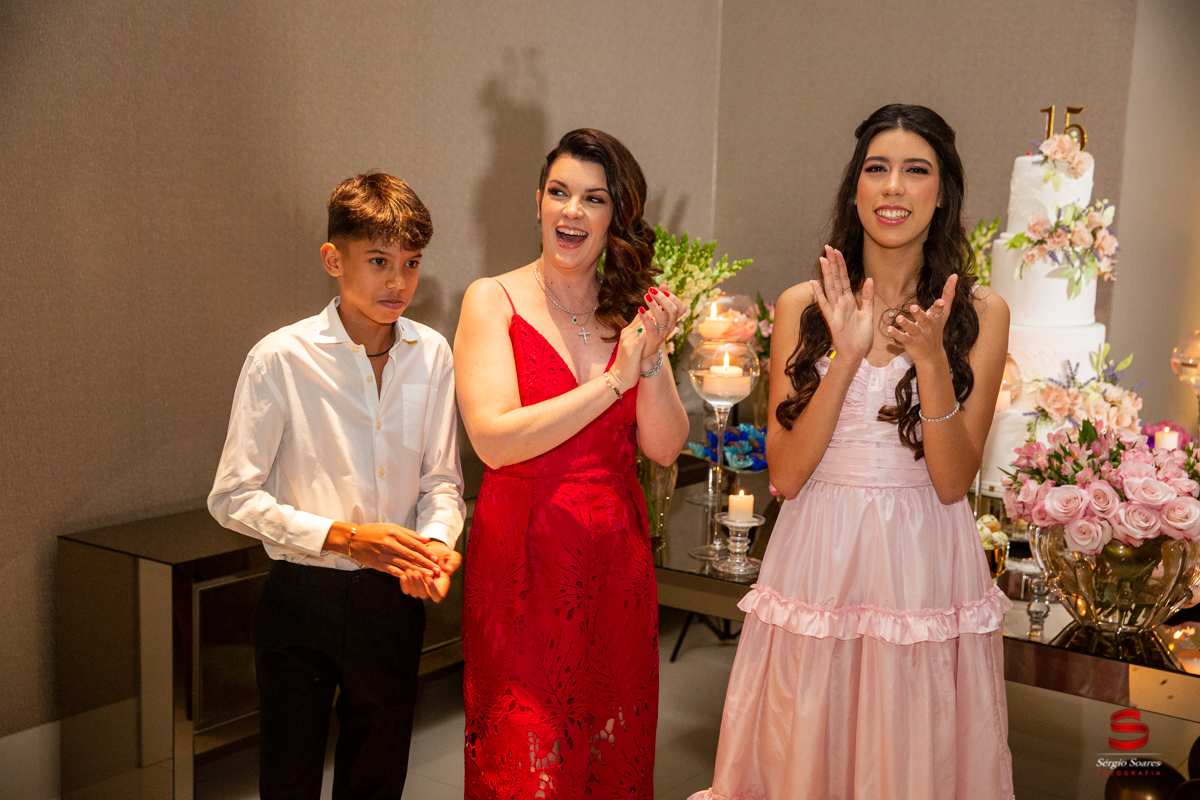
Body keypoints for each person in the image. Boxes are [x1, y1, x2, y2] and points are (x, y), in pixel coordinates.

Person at [692, 105, 1014, 800]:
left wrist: (931, 360)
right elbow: (785, 474)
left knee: (909, 751)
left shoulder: (981, 313)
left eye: (915, 170)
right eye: (877, 169)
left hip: (923, 557)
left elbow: (953, 481)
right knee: (808, 744)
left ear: (942, 193)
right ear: (855, 188)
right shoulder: (800, 306)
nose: (893, 187)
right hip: (820, 553)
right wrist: (844, 357)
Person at [208, 172, 465, 800]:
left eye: (410, 263)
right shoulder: (279, 359)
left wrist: (434, 545)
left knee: (377, 777)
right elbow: (232, 497)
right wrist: (346, 538)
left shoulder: (432, 354)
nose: (398, 282)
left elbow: (441, 482)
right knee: (288, 779)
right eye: (378, 261)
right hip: (301, 597)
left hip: (391, 601)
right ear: (333, 259)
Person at [454, 128, 690, 799]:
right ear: (537, 201)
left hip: (614, 564)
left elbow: (664, 446)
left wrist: (651, 357)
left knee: (610, 756)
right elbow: (494, 440)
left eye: (594, 198)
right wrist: (614, 382)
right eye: (559, 192)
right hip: (524, 563)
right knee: (525, 760)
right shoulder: (491, 299)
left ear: (616, 216)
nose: (572, 211)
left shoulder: (629, 311)